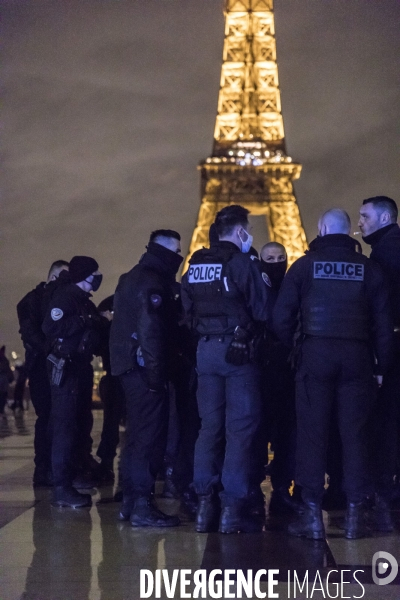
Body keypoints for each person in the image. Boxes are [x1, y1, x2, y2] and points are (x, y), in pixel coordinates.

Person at [273, 208, 393, 539]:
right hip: (356, 355)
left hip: (315, 353)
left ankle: (310, 513)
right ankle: (356, 514)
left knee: (312, 434)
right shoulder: (369, 268)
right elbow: (383, 326)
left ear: (322, 229)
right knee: (355, 435)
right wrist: (381, 365)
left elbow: (281, 318)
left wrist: (296, 350)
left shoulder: (303, 267)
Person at [181, 204, 272, 534]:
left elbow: (186, 311)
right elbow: (263, 310)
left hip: (205, 350)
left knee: (209, 428)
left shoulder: (195, 266)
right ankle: (231, 508)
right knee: (240, 429)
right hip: (237, 353)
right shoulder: (242, 263)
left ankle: (205, 505)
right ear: (240, 231)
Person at [109, 230, 183, 527]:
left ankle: (131, 502)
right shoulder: (153, 282)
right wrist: (155, 374)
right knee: (149, 439)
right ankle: (142, 505)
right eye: (177, 250)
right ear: (164, 250)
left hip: (128, 367)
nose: (180, 255)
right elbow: (151, 331)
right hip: (144, 370)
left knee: (136, 438)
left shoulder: (130, 277)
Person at [42, 255, 105, 508]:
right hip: (66, 369)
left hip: (78, 367)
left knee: (77, 425)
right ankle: (62, 487)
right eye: (94, 274)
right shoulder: (65, 297)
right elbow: (51, 327)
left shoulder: (81, 300)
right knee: (65, 427)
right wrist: (85, 321)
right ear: (84, 276)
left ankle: (71, 479)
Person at [359, 195, 400, 526]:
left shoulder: (385, 255)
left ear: (385, 218)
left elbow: (383, 314)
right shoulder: (389, 248)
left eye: (366, 217)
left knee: (387, 420)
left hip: (392, 349)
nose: (361, 223)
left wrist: (379, 363)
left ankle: (384, 490)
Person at [17, 260, 69, 486]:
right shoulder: (33, 300)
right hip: (41, 366)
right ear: (54, 276)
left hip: (47, 363)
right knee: (47, 417)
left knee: (54, 418)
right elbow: (31, 334)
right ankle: (43, 468)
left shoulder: (37, 299)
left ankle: (49, 468)